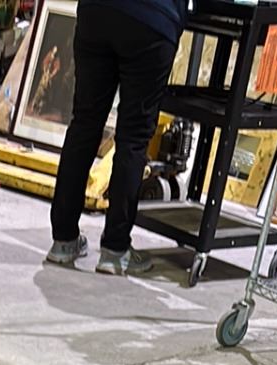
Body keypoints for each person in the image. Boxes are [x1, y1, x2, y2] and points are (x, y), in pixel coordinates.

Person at [45, 0, 187, 276]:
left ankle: (63, 240)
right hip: (152, 21)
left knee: (84, 123)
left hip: (97, 12)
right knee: (133, 137)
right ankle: (115, 249)